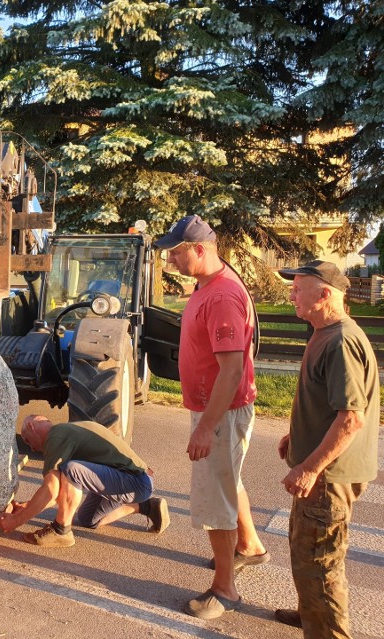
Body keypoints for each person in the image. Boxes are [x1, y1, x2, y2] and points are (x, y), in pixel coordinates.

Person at [155, 215, 269, 620]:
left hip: (219, 412)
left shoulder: (221, 296)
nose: (170, 259)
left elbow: (233, 369)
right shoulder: (208, 286)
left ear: (199, 249)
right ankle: (250, 546)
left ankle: (225, 590)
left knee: (215, 499)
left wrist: (206, 425)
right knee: (228, 482)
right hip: (217, 409)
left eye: (176, 252)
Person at [273, 260, 379, 637]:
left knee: (319, 563)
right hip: (323, 470)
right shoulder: (325, 331)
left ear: (323, 294)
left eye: (297, 289)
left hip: (328, 477)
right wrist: (297, 438)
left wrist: (310, 466)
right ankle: (310, 613)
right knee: (307, 552)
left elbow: (351, 418)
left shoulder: (340, 342)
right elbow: (324, 404)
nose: (291, 296)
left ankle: (326, 629)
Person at [0, 415, 169, 547]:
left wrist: (16, 521)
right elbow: (58, 493)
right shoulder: (70, 431)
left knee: (71, 469)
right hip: (129, 481)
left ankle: (61, 531)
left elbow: (51, 489)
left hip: (134, 481)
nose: (32, 448)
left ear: (31, 426)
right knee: (88, 519)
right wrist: (28, 506)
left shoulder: (56, 436)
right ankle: (148, 506)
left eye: (28, 440)